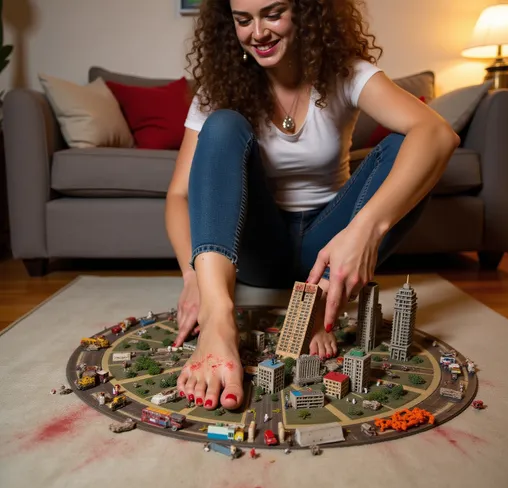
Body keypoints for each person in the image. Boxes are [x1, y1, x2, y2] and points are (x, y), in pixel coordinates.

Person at [165, 0, 459, 411]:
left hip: (327, 249)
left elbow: (439, 134)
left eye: (272, 13)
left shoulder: (346, 74)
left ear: (307, 11)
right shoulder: (219, 89)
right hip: (254, 248)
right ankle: (219, 317)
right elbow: (179, 195)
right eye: (243, 20)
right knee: (222, 124)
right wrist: (192, 273)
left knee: (411, 146)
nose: (258, 33)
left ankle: (318, 306)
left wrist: (364, 230)